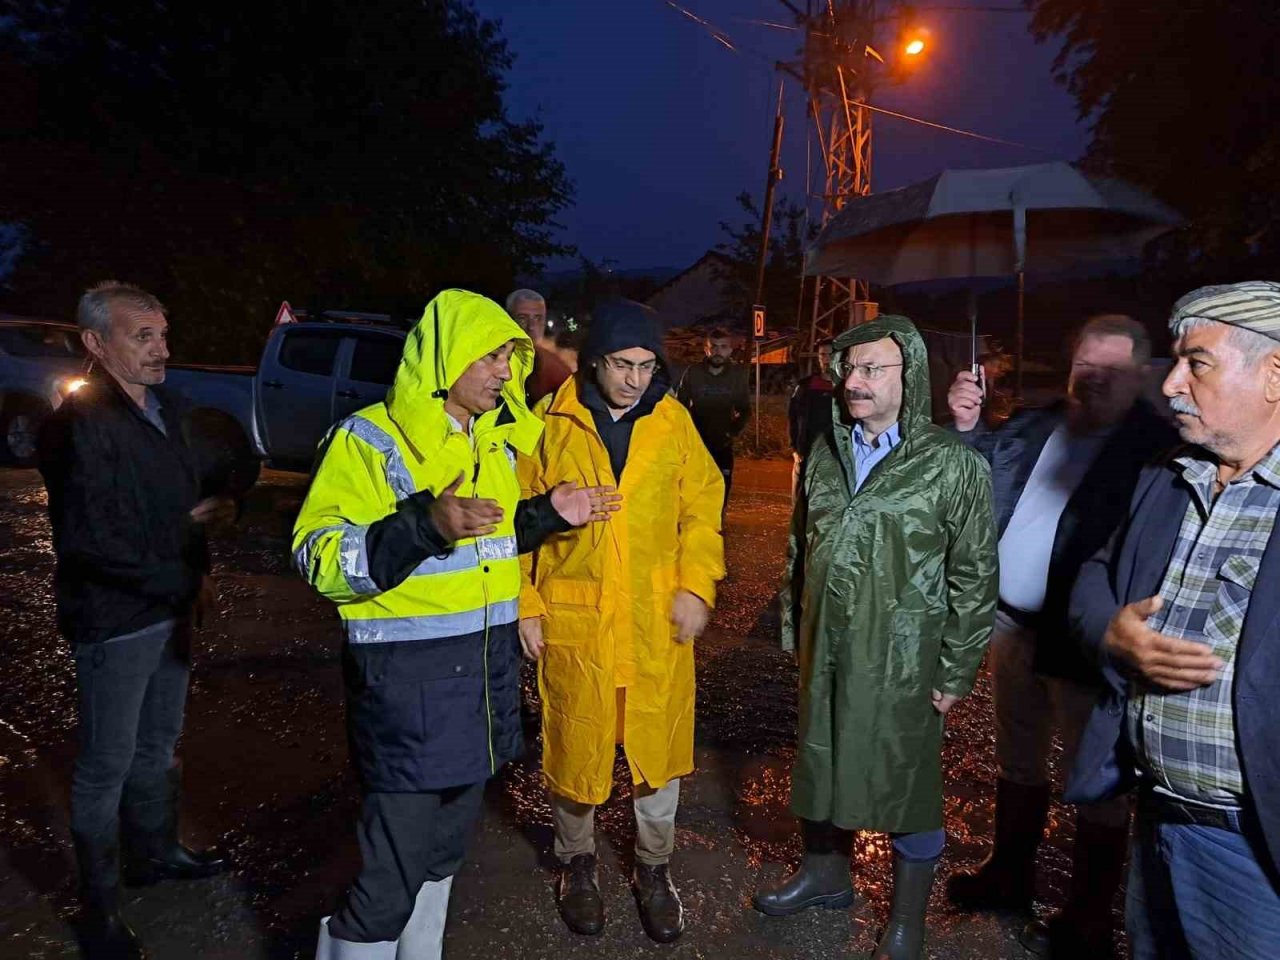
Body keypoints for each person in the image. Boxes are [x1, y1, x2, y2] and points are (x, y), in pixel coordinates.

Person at [292, 289, 619, 960]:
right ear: (445, 358)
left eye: (509, 357)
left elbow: (486, 548)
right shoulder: (368, 439)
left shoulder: (490, 443)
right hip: (407, 701)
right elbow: (318, 558)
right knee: (386, 885)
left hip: (477, 698)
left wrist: (547, 514)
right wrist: (424, 525)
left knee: (442, 858)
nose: (504, 371)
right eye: (489, 356)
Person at [753, 315, 998, 960]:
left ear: (908, 376)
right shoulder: (825, 455)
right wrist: (796, 632)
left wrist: (956, 669)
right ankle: (826, 876)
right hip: (826, 645)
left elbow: (975, 575)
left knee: (904, 780)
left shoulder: (952, 464)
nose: (853, 382)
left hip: (903, 658)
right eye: (848, 369)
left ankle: (907, 921)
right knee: (820, 758)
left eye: (870, 369)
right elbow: (800, 548)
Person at [945, 315, 1177, 957]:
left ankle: (1088, 917)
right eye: (1085, 367)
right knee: (1017, 758)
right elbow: (974, 480)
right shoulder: (1034, 425)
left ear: (1141, 375)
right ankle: (1008, 876)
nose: (1094, 380)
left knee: (1096, 777)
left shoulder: (1158, 452)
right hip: (1013, 626)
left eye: (1112, 370)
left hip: (1087, 643)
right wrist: (966, 427)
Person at [1068, 282, 1280, 960]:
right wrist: (1112, 631)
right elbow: (1093, 574)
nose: (1171, 385)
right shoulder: (1167, 475)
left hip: (1254, 851)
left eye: (1198, 363)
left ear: (1275, 375)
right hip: (1156, 817)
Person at [517, 299, 725, 944]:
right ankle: (576, 864)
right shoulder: (549, 424)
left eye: (646, 366)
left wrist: (696, 585)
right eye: (621, 365)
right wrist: (526, 605)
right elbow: (513, 519)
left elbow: (702, 508)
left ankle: (654, 869)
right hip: (576, 620)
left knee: (655, 752)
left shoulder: (673, 423)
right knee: (576, 745)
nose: (635, 380)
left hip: (653, 623)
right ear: (594, 361)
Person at [38, 282, 233, 960]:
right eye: (142, 337)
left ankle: (154, 853)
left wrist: (207, 544)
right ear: (95, 343)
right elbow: (91, 540)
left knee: (159, 744)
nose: (162, 350)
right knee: (105, 766)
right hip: (115, 618)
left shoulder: (167, 408)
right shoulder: (76, 425)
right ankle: (99, 911)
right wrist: (179, 577)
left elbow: (190, 500)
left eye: (163, 334)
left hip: (170, 609)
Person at [675, 327, 751, 507]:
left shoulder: (737, 375)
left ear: (730, 350)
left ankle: (718, 522)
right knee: (692, 493)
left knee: (721, 492)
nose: (718, 351)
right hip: (695, 444)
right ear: (706, 349)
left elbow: (745, 409)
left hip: (722, 445)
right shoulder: (693, 373)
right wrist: (684, 433)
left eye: (723, 347)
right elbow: (679, 407)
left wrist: (732, 431)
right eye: (714, 346)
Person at [787, 337, 835, 502]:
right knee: (801, 500)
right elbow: (793, 418)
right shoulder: (805, 386)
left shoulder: (847, 387)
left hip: (835, 455)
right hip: (806, 452)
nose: (826, 359)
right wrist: (794, 448)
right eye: (822, 355)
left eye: (830, 354)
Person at [506, 288, 572, 406]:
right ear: (508, 319)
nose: (531, 326)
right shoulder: (491, 359)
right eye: (522, 318)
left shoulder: (555, 368)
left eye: (538, 318)